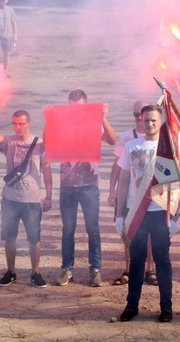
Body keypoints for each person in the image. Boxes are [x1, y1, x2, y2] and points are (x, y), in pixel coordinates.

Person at [115, 105, 179, 323]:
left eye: (154, 120)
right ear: (141, 120)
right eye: (146, 120)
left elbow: (177, 184)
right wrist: (119, 214)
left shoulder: (167, 147)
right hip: (136, 211)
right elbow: (123, 182)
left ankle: (166, 307)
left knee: (163, 261)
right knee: (136, 261)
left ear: (160, 121)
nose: (150, 124)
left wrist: (176, 216)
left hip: (160, 211)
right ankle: (132, 306)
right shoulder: (131, 145)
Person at [0, 110, 52, 288]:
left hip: (31, 199)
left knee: (34, 238)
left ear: (29, 124)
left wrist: (49, 196)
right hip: (10, 198)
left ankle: (35, 273)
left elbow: (47, 170)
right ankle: (11, 272)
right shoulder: (9, 141)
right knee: (9, 237)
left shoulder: (39, 144)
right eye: (14, 123)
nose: (17, 127)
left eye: (21, 124)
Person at [56, 89, 116, 287]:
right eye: (73, 108)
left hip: (89, 184)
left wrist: (103, 119)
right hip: (67, 184)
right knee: (68, 229)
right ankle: (67, 269)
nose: (77, 112)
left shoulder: (94, 122)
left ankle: (95, 269)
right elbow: (50, 144)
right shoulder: (61, 122)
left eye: (80, 108)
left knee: (93, 228)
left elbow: (112, 140)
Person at [108, 100, 156, 287]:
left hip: (151, 195)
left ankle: (150, 269)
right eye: (136, 115)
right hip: (129, 194)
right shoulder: (126, 138)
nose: (139, 118)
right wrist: (111, 189)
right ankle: (128, 268)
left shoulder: (158, 138)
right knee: (128, 231)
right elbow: (117, 165)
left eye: (142, 115)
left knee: (150, 234)